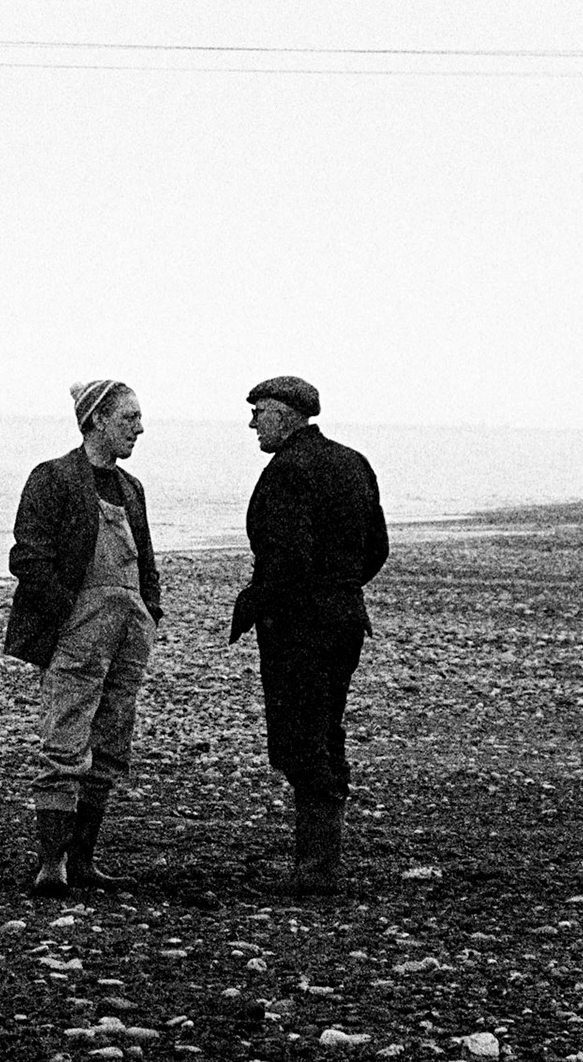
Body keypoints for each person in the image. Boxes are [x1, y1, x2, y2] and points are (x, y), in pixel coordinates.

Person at [230, 375, 388, 893]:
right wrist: (340, 587)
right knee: (325, 730)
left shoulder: (287, 471)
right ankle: (320, 862)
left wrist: (256, 602)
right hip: (345, 618)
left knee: (300, 739)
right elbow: (377, 549)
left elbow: (286, 559)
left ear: (285, 413)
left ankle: (316, 868)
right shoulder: (353, 462)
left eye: (259, 411)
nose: (252, 422)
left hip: (299, 625)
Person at [5, 380, 162, 897]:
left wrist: (149, 613)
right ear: (96, 420)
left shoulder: (131, 488)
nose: (139, 428)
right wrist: (69, 615)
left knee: (112, 743)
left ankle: (84, 862)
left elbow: (146, 559)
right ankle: (52, 866)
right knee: (66, 741)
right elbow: (27, 557)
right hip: (79, 631)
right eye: (128, 418)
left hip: (128, 630)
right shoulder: (53, 478)